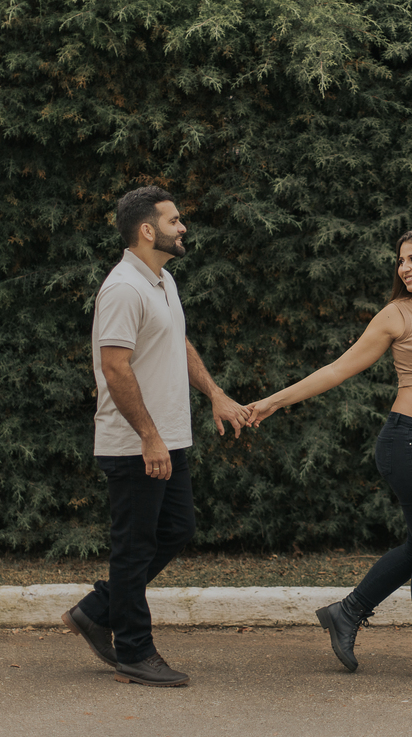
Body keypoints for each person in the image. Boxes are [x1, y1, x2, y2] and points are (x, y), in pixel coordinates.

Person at [246, 228, 412, 682]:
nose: (404, 267)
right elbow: (338, 368)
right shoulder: (396, 315)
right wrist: (274, 401)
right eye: (401, 260)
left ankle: (347, 611)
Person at [61, 185, 249, 687]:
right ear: (147, 230)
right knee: (134, 547)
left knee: (177, 529)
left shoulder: (162, 280)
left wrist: (215, 393)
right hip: (135, 444)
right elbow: (114, 367)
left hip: (168, 437)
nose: (183, 227)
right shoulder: (123, 287)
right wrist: (148, 436)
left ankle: (97, 610)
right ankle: (134, 652)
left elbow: (176, 340)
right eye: (174, 220)